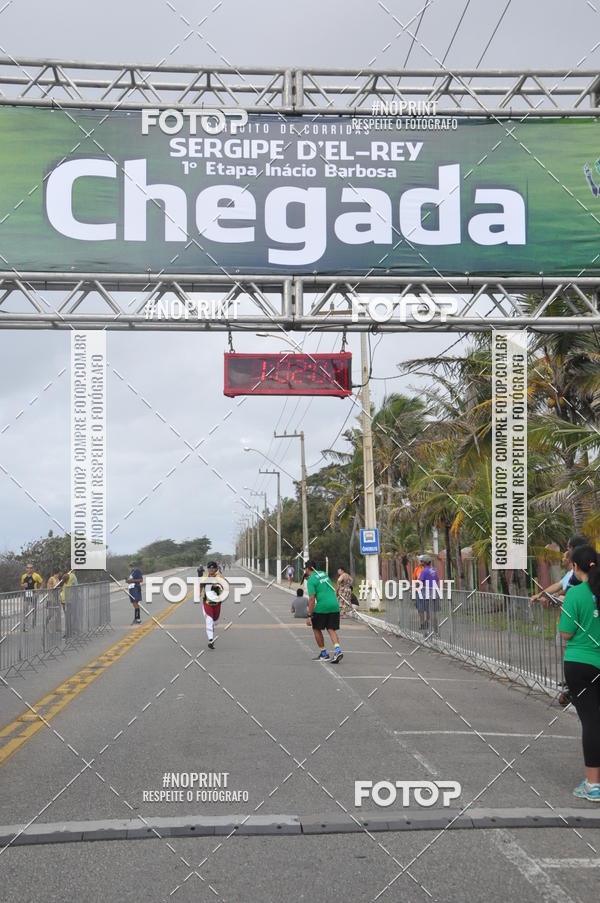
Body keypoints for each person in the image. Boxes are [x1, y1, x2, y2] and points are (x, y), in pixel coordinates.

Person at [558, 543, 600, 802]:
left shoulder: (575, 594)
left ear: (575, 567)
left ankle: (593, 784)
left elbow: (566, 633)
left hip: (580, 664)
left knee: (591, 722)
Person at [530, 535, 589, 604]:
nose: (567, 549)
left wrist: (562, 598)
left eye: (568, 547)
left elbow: (586, 591)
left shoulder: (587, 569)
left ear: (573, 549)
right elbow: (560, 586)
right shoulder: (574, 573)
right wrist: (544, 595)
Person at [304, 560, 343, 664]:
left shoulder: (311, 580)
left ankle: (324, 653)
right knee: (331, 628)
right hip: (334, 605)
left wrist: (309, 615)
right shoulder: (324, 574)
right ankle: (338, 651)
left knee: (316, 628)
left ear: (307, 569)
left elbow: (312, 599)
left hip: (322, 606)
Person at [201, 561, 225, 649]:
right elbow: (200, 585)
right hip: (206, 602)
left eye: (213, 568)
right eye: (209, 568)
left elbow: (225, 586)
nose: (211, 569)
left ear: (216, 569)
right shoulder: (204, 576)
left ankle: (214, 624)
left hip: (217, 602)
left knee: (215, 620)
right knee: (209, 620)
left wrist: (218, 585)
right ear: (207, 569)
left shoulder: (219, 577)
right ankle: (211, 640)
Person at [416, 555, 440, 634]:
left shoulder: (424, 571)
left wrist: (415, 590)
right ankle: (435, 631)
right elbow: (437, 580)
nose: (421, 563)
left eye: (421, 561)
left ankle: (428, 632)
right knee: (434, 613)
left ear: (424, 563)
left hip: (426, 594)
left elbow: (419, 582)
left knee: (425, 611)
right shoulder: (434, 570)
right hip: (435, 593)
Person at [20, 561, 43, 630]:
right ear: (26, 569)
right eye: (28, 568)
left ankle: (34, 622)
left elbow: (42, 583)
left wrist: (38, 592)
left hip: (34, 594)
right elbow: (21, 584)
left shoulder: (36, 575)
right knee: (25, 609)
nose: (29, 569)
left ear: (33, 569)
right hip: (26, 594)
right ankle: (25, 624)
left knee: (34, 609)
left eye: (30, 568)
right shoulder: (23, 576)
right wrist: (23, 585)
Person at [60, 567, 78, 638]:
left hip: (66, 599)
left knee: (68, 617)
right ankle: (70, 631)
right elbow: (76, 587)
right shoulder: (72, 576)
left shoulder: (67, 576)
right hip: (68, 599)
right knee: (69, 616)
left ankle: (69, 632)